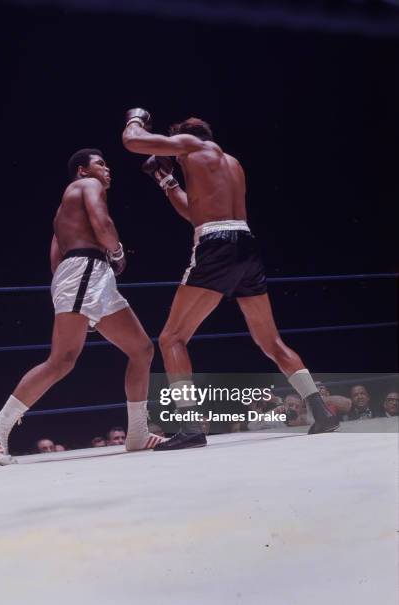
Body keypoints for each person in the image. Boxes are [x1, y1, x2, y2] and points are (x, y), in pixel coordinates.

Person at [122, 108, 339, 450]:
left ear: (185, 137)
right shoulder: (232, 163)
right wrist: (166, 182)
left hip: (216, 246)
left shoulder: (190, 144)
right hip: (246, 247)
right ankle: (320, 410)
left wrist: (135, 118)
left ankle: (190, 426)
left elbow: (132, 142)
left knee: (171, 338)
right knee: (270, 342)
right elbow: (196, 212)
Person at [0, 149, 162, 465]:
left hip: (87, 275)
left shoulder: (63, 214)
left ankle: (138, 433)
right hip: (86, 271)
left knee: (142, 349)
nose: (107, 169)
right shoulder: (88, 186)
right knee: (62, 360)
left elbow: (54, 259)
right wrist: (116, 252)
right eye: (100, 163)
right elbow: (103, 223)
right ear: (82, 170)